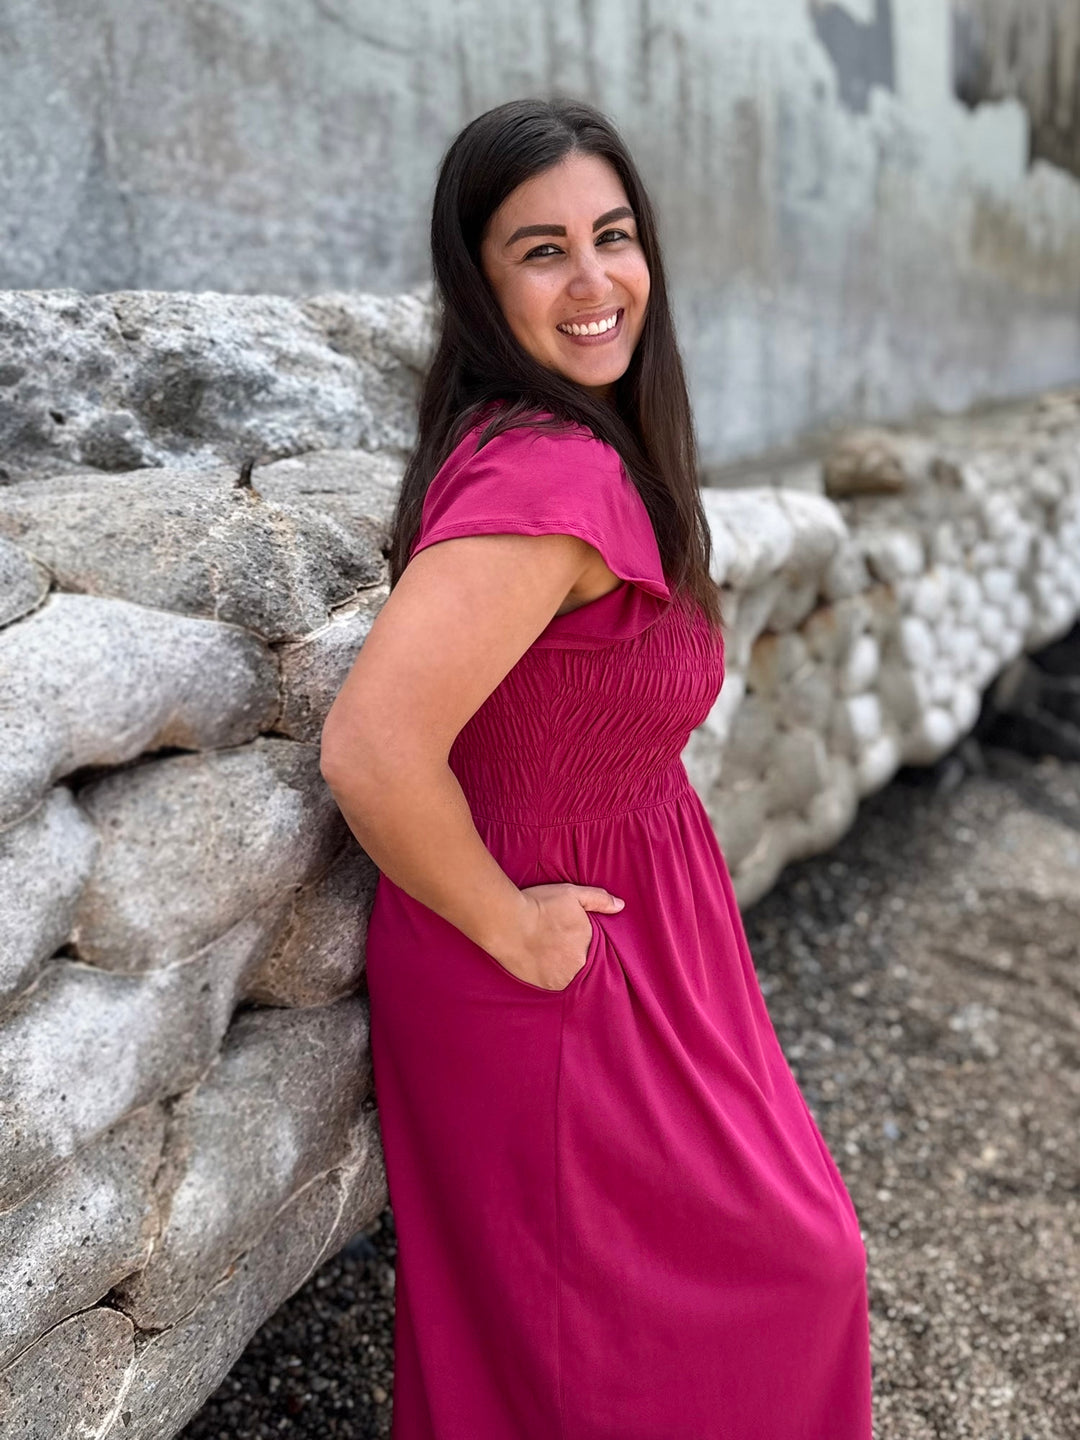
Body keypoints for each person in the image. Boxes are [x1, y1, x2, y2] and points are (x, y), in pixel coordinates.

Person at [319, 96, 873, 1440]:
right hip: (538, 955)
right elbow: (372, 748)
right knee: (736, 1302)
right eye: (541, 250)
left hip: (639, 929)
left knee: (648, 1330)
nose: (593, 282)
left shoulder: (589, 454)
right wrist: (515, 929)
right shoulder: (547, 482)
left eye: (612, 237)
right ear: (477, 281)